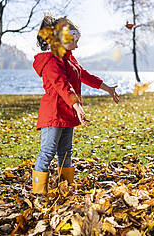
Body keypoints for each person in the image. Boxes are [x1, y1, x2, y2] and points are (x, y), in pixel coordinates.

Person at [32, 15, 119, 194]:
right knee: (48, 152)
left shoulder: (69, 58)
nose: (77, 45)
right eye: (75, 40)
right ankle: (39, 193)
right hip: (54, 114)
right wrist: (77, 106)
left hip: (67, 113)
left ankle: (65, 189)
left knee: (66, 152)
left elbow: (83, 75)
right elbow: (62, 85)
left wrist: (106, 88)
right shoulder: (50, 61)